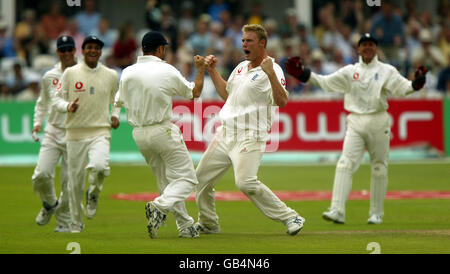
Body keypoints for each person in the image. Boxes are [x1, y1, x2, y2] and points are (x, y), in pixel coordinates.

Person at [285, 33, 428, 225]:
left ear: (375, 48)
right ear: (358, 49)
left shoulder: (387, 70)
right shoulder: (349, 71)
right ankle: (337, 210)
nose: (368, 48)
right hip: (355, 121)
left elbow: (403, 88)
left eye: (371, 44)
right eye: (364, 45)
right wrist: (303, 74)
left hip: (379, 120)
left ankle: (376, 214)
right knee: (345, 163)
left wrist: (416, 84)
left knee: (379, 166)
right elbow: (326, 83)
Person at [195, 24, 305, 236]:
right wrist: (212, 71)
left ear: (262, 44)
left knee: (245, 182)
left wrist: (271, 74)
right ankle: (209, 223)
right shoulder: (240, 67)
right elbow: (228, 96)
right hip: (226, 133)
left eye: (249, 41)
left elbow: (282, 101)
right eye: (243, 40)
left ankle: (291, 216)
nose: (244, 44)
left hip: (250, 135)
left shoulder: (272, 69)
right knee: (201, 178)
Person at [114, 31, 205, 238]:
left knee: (166, 181)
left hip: (139, 135)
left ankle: (185, 226)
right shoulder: (166, 70)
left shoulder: (128, 72)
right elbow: (194, 93)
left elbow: (118, 99)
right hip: (162, 131)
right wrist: (200, 70)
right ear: (161, 49)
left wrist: (114, 116)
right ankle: (159, 205)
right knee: (188, 179)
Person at [53, 35, 120, 233]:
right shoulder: (70, 73)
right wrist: (67, 106)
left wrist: (115, 115)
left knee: (99, 167)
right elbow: (56, 100)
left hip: (100, 130)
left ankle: (94, 192)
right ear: (83, 50)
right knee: (74, 182)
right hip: (74, 133)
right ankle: (76, 223)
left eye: (97, 48)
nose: (93, 50)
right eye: (89, 47)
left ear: (100, 51)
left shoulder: (111, 75)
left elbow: (116, 100)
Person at [31, 36, 77, 233]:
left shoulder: (84, 73)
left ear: (74, 50)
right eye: (62, 50)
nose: (66, 53)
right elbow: (43, 102)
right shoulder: (50, 76)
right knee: (41, 175)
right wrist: (37, 122)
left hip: (76, 134)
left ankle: (64, 224)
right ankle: (50, 204)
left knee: (69, 183)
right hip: (53, 131)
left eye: (69, 49)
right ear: (57, 52)